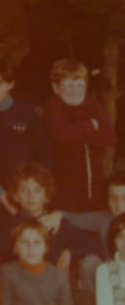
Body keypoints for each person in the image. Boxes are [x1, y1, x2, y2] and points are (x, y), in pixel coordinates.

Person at [0, 162, 101, 298]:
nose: (31, 196)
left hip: (57, 291)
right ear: (15, 196)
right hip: (24, 291)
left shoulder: (56, 223)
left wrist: (69, 252)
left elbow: (93, 244)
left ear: (46, 195)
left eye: (37, 190)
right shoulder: (9, 227)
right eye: (24, 190)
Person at [0, 58, 49, 228]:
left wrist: (37, 190)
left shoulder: (28, 113)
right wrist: (1, 195)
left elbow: (43, 154)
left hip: (30, 193)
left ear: (10, 84)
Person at [44, 58, 116, 212]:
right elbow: (61, 136)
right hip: (65, 184)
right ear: (56, 88)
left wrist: (75, 133)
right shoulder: (53, 107)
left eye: (80, 85)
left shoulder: (92, 104)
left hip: (96, 182)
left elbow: (110, 136)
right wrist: (91, 125)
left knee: (96, 216)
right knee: (68, 219)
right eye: (69, 85)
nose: (75, 90)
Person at [42, 173, 125, 258]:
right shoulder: (104, 219)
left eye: (124, 198)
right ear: (107, 199)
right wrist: (59, 214)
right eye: (113, 198)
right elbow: (75, 219)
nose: (119, 204)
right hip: (112, 265)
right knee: (91, 260)